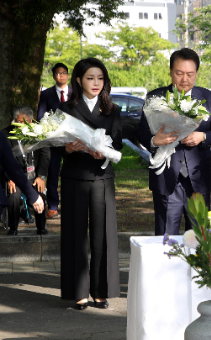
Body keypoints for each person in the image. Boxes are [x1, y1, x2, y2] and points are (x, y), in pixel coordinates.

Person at [136, 48, 211, 236]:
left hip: (198, 179)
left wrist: (203, 136)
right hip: (167, 177)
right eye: (179, 73)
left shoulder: (208, 98)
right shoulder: (155, 97)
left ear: (197, 73)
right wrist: (154, 140)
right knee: (166, 238)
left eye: (190, 74)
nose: (184, 79)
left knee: (200, 237)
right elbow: (141, 132)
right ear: (170, 71)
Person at [59, 57, 121, 310]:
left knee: (102, 235)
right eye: (90, 78)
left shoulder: (112, 110)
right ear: (78, 80)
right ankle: (79, 292)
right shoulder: (66, 109)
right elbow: (55, 148)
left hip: (101, 178)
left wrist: (104, 153)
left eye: (100, 78)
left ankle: (100, 291)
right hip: (74, 176)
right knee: (75, 235)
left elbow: (117, 145)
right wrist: (67, 147)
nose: (96, 83)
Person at [1, 106, 50, 235]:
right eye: (17, 121)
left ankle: (41, 228)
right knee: (14, 196)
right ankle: (13, 228)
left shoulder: (38, 133)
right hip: (15, 176)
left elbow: (45, 155)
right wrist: (8, 178)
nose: (20, 125)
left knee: (41, 193)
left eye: (23, 122)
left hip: (33, 175)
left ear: (31, 120)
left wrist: (42, 176)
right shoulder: (5, 134)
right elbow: (4, 161)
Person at [37, 62, 71, 219]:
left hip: (73, 142)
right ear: (53, 76)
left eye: (64, 73)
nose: (61, 75)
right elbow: (40, 117)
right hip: (54, 143)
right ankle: (52, 206)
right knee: (52, 173)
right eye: (58, 73)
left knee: (72, 174)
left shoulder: (76, 93)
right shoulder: (47, 94)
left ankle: (72, 205)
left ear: (68, 75)